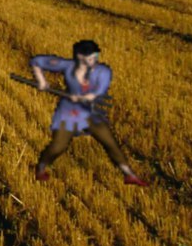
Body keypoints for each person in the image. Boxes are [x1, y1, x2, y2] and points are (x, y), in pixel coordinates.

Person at [29, 40, 147, 186]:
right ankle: (41, 167)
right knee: (58, 146)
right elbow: (36, 61)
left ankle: (129, 174)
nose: (94, 60)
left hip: (91, 113)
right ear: (80, 56)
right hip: (68, 113)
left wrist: (84, 97)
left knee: (110, 142)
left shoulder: (103, 71)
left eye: (95, 57)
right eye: (90, 58)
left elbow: (99, 91)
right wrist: (41, 81)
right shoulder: (68, 66)